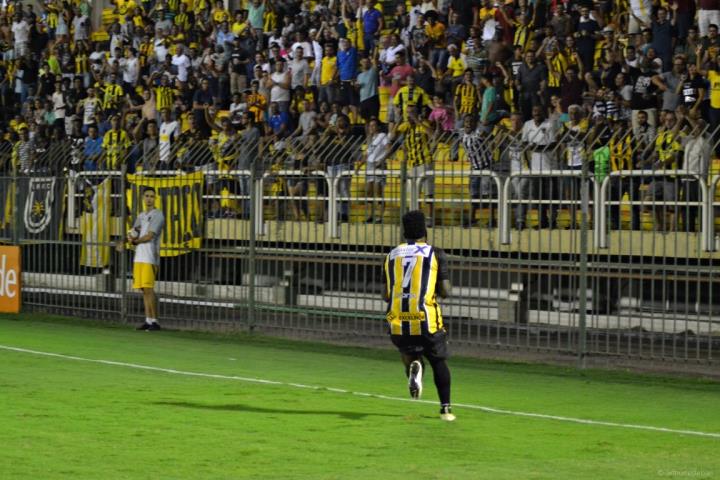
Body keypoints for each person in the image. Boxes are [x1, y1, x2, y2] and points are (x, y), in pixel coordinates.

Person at [383, 210, 455, 422]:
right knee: (438, 360)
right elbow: (445, 291)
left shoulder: (391, 255)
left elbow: (386, 293)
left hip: (398, 320)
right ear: (425, 230)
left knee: (409, 353)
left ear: (405, 232)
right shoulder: (435, 253)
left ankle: (415, 367)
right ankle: (445, 409)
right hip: (425, 319)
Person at [128, 187, 166, 331]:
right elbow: (135, 231)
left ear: (155, 199)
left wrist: (135, 241)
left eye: (151, 196)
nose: (149, 198)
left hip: (150, 256)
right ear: (143, 198)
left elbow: (150, 236)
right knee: (143, 289)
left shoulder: (158, 215)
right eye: (147, 196)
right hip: (139, 257)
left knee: (149, 289)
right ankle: (148, 320)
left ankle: (155, 321)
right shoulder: (141, 215)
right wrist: (130, 237)